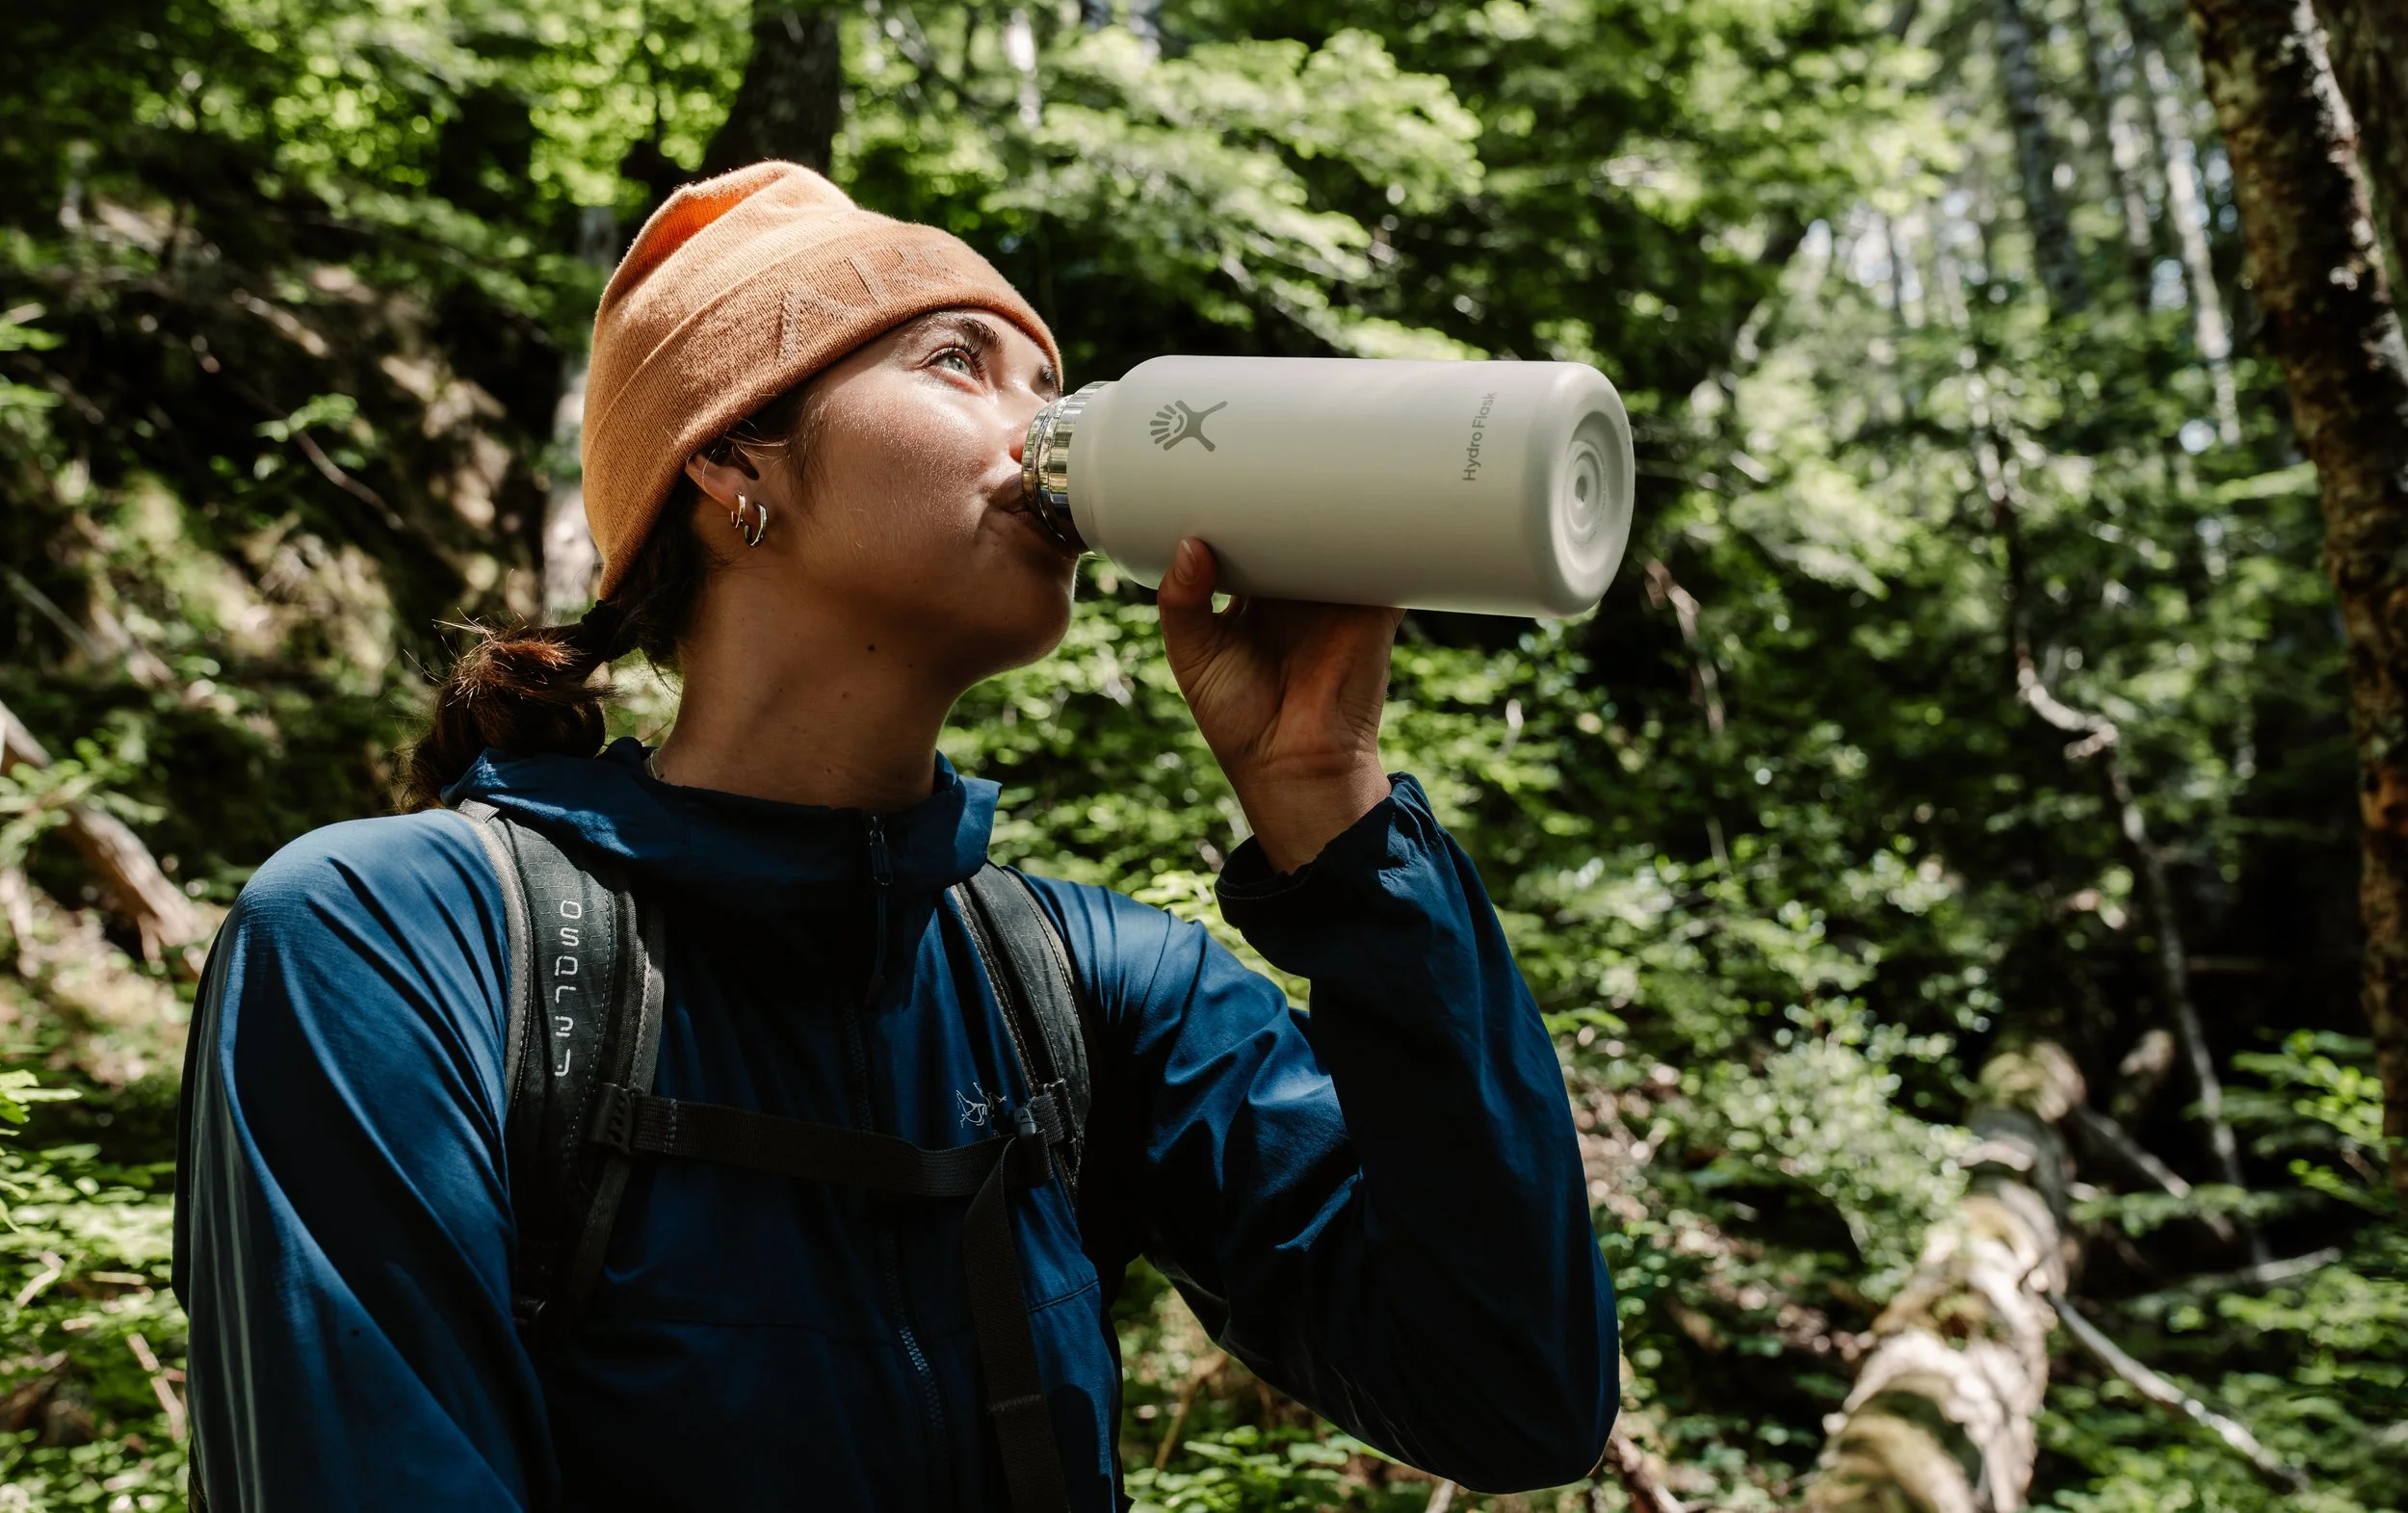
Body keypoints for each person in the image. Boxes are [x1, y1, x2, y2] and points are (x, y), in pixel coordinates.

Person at [171, 162, 1617, 1512]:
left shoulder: (1092, 990)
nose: (1041, 428)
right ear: (733, 458)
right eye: (957, 362)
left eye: (1050, 384)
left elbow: (1511, 1396)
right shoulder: (397, 939)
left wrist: (1333, 804)